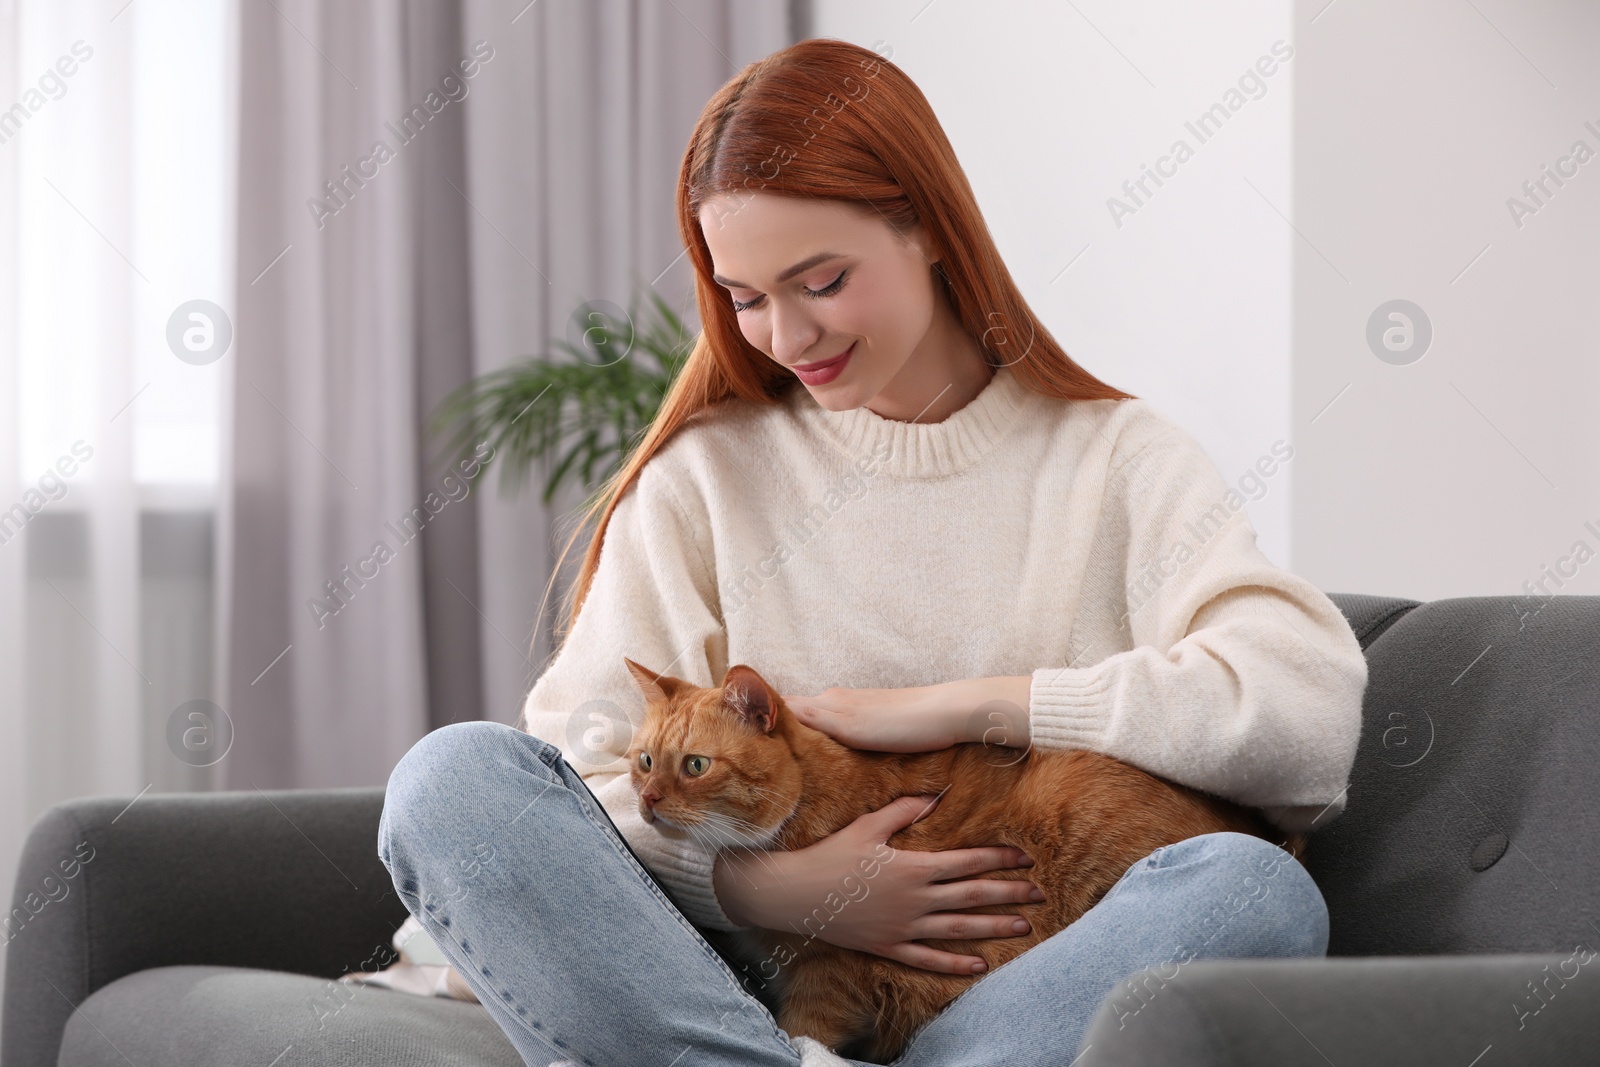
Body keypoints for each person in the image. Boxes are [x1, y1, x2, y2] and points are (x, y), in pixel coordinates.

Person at [378, 37, 1366, 1067]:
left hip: (1031, 984)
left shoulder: (1117, 460)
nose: (785, 335)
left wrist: (973, 704)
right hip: (746, 988)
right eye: (747, 297)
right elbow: (573, 783)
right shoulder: (704, 479)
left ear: (928, 228)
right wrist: (772, 888)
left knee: (1252, 890)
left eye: (822, 279)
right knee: (450, 781)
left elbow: (1303, 720)